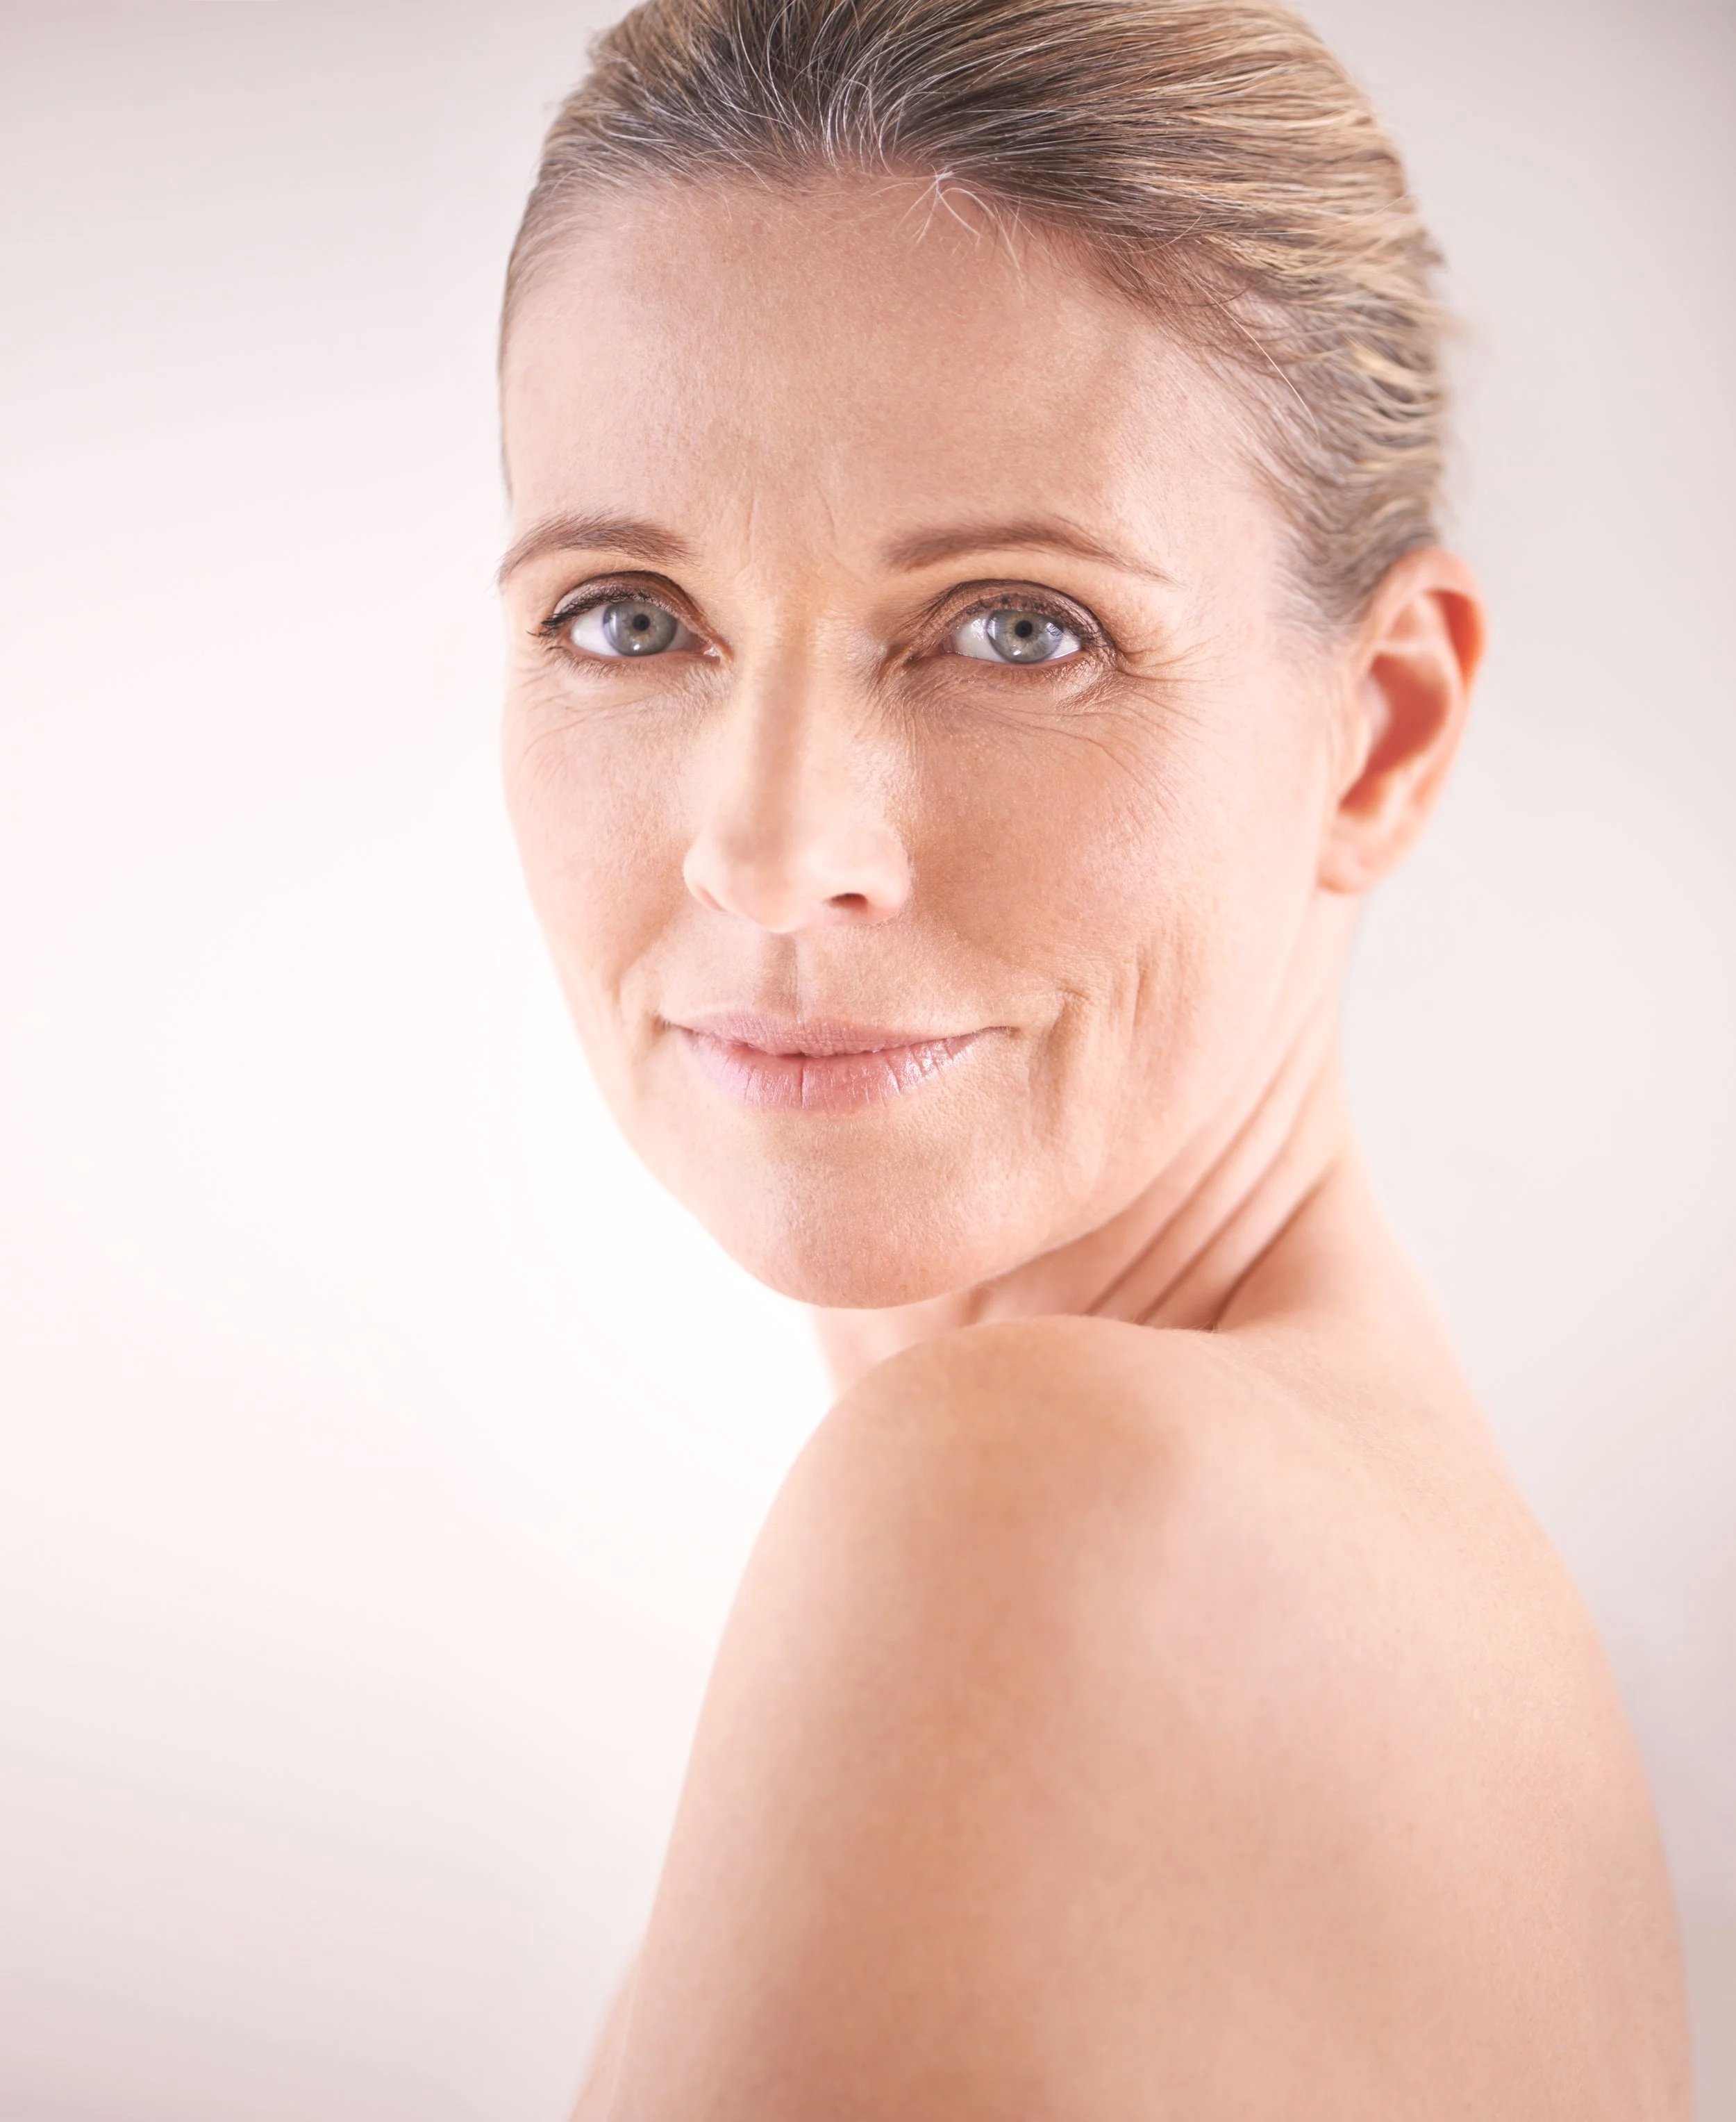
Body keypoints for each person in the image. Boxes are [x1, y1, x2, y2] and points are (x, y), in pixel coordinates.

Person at [494, 0, 1689, 2110]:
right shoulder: (1401, 1594)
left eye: (1014, 630)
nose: (775, 855)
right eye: (628, 616)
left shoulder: (1039, 1514)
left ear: (1379, 728)